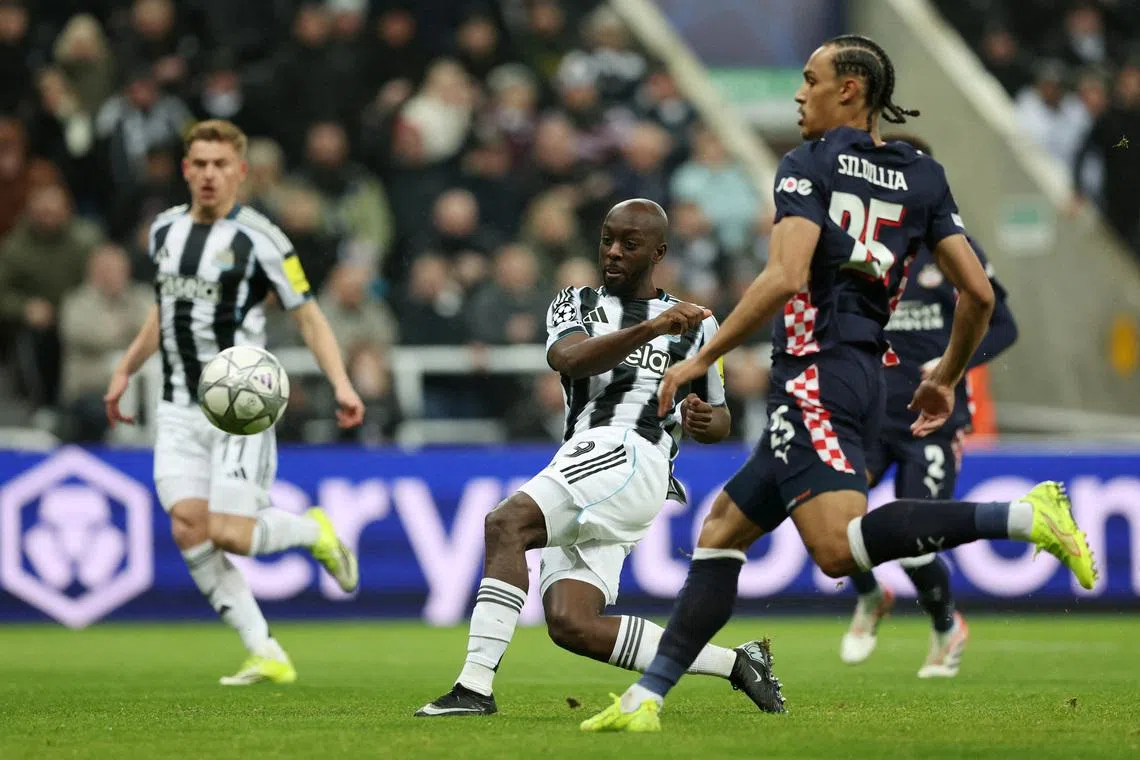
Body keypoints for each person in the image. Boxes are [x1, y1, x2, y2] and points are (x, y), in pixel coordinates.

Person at [581, 35, 1096, 733]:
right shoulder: (921, 172)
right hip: (863, 373)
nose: (800, 93)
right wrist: (945, 375)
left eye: (810, 78)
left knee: (836, 549)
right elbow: (977, 293)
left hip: (816, 372)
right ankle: (647, 700)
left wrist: (703, 357)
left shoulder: (807, 164)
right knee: (722, 530)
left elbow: (787, 275)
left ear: (849, 88)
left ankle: (1023, 516)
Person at [414, 199, 784, 718]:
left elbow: (719, 417)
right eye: (607, 239)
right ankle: (737, 664)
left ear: (658, 253)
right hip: (589, 455)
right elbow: (567, 358)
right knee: (571, 622)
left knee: (506, 523)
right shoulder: (577, 302)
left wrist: (706, 421)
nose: (612, 252)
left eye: (628, 245)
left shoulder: (698, 324)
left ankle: (473, 689)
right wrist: (652, 330)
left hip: (632, 453)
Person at [104, 120, 366, 686]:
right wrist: (125, 369)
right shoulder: (163, 231)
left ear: (240, 173)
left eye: (220, 165)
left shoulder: (262, 239)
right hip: (176, 405)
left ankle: (314, 532)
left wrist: (342, 382)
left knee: (231, 535)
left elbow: (309, 313)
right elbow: (163, 310)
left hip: (238, 406)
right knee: (187, 527)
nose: (208, 175)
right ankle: (264, 648)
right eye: (198, 164)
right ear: (185, 169)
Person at [838, 135, 1019, 677]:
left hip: (932, 425)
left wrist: (950, 364)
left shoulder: (955, 253)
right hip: (867, 418)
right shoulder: (862, 253)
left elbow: (1003, 323)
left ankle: (946, 626)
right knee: (829, 519)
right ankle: (871, 595)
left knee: (915, 541)